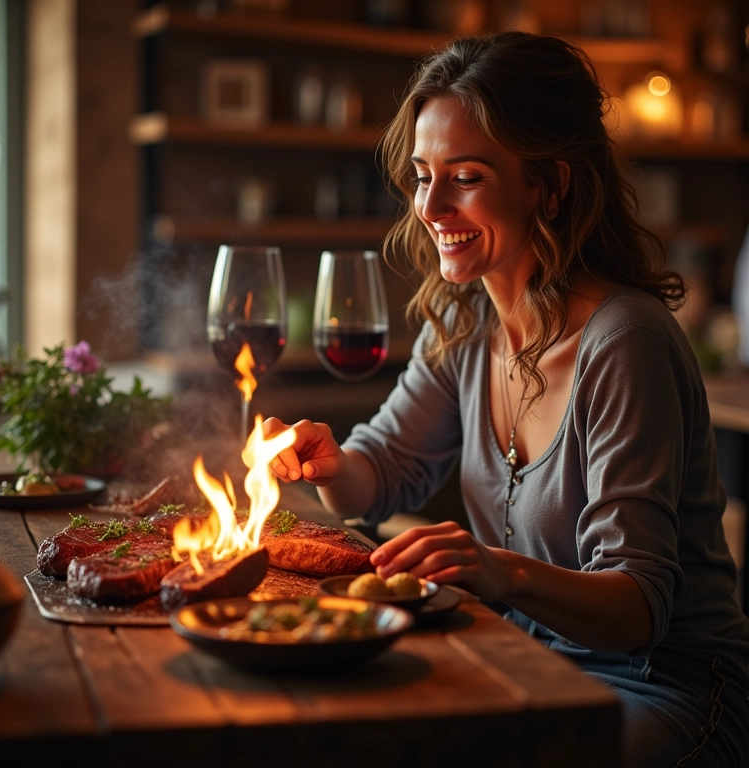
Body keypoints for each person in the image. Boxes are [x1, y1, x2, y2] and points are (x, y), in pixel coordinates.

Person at [265, 31, 749, 767]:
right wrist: (330, 464)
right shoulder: (464, 323)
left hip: (665, 687)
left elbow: (639, 609)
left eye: (465, 176)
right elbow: (380, 472)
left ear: (550, 185)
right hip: (529, 663)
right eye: (423, 175)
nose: (431, 206)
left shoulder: (625, 343)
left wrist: (500, 570)